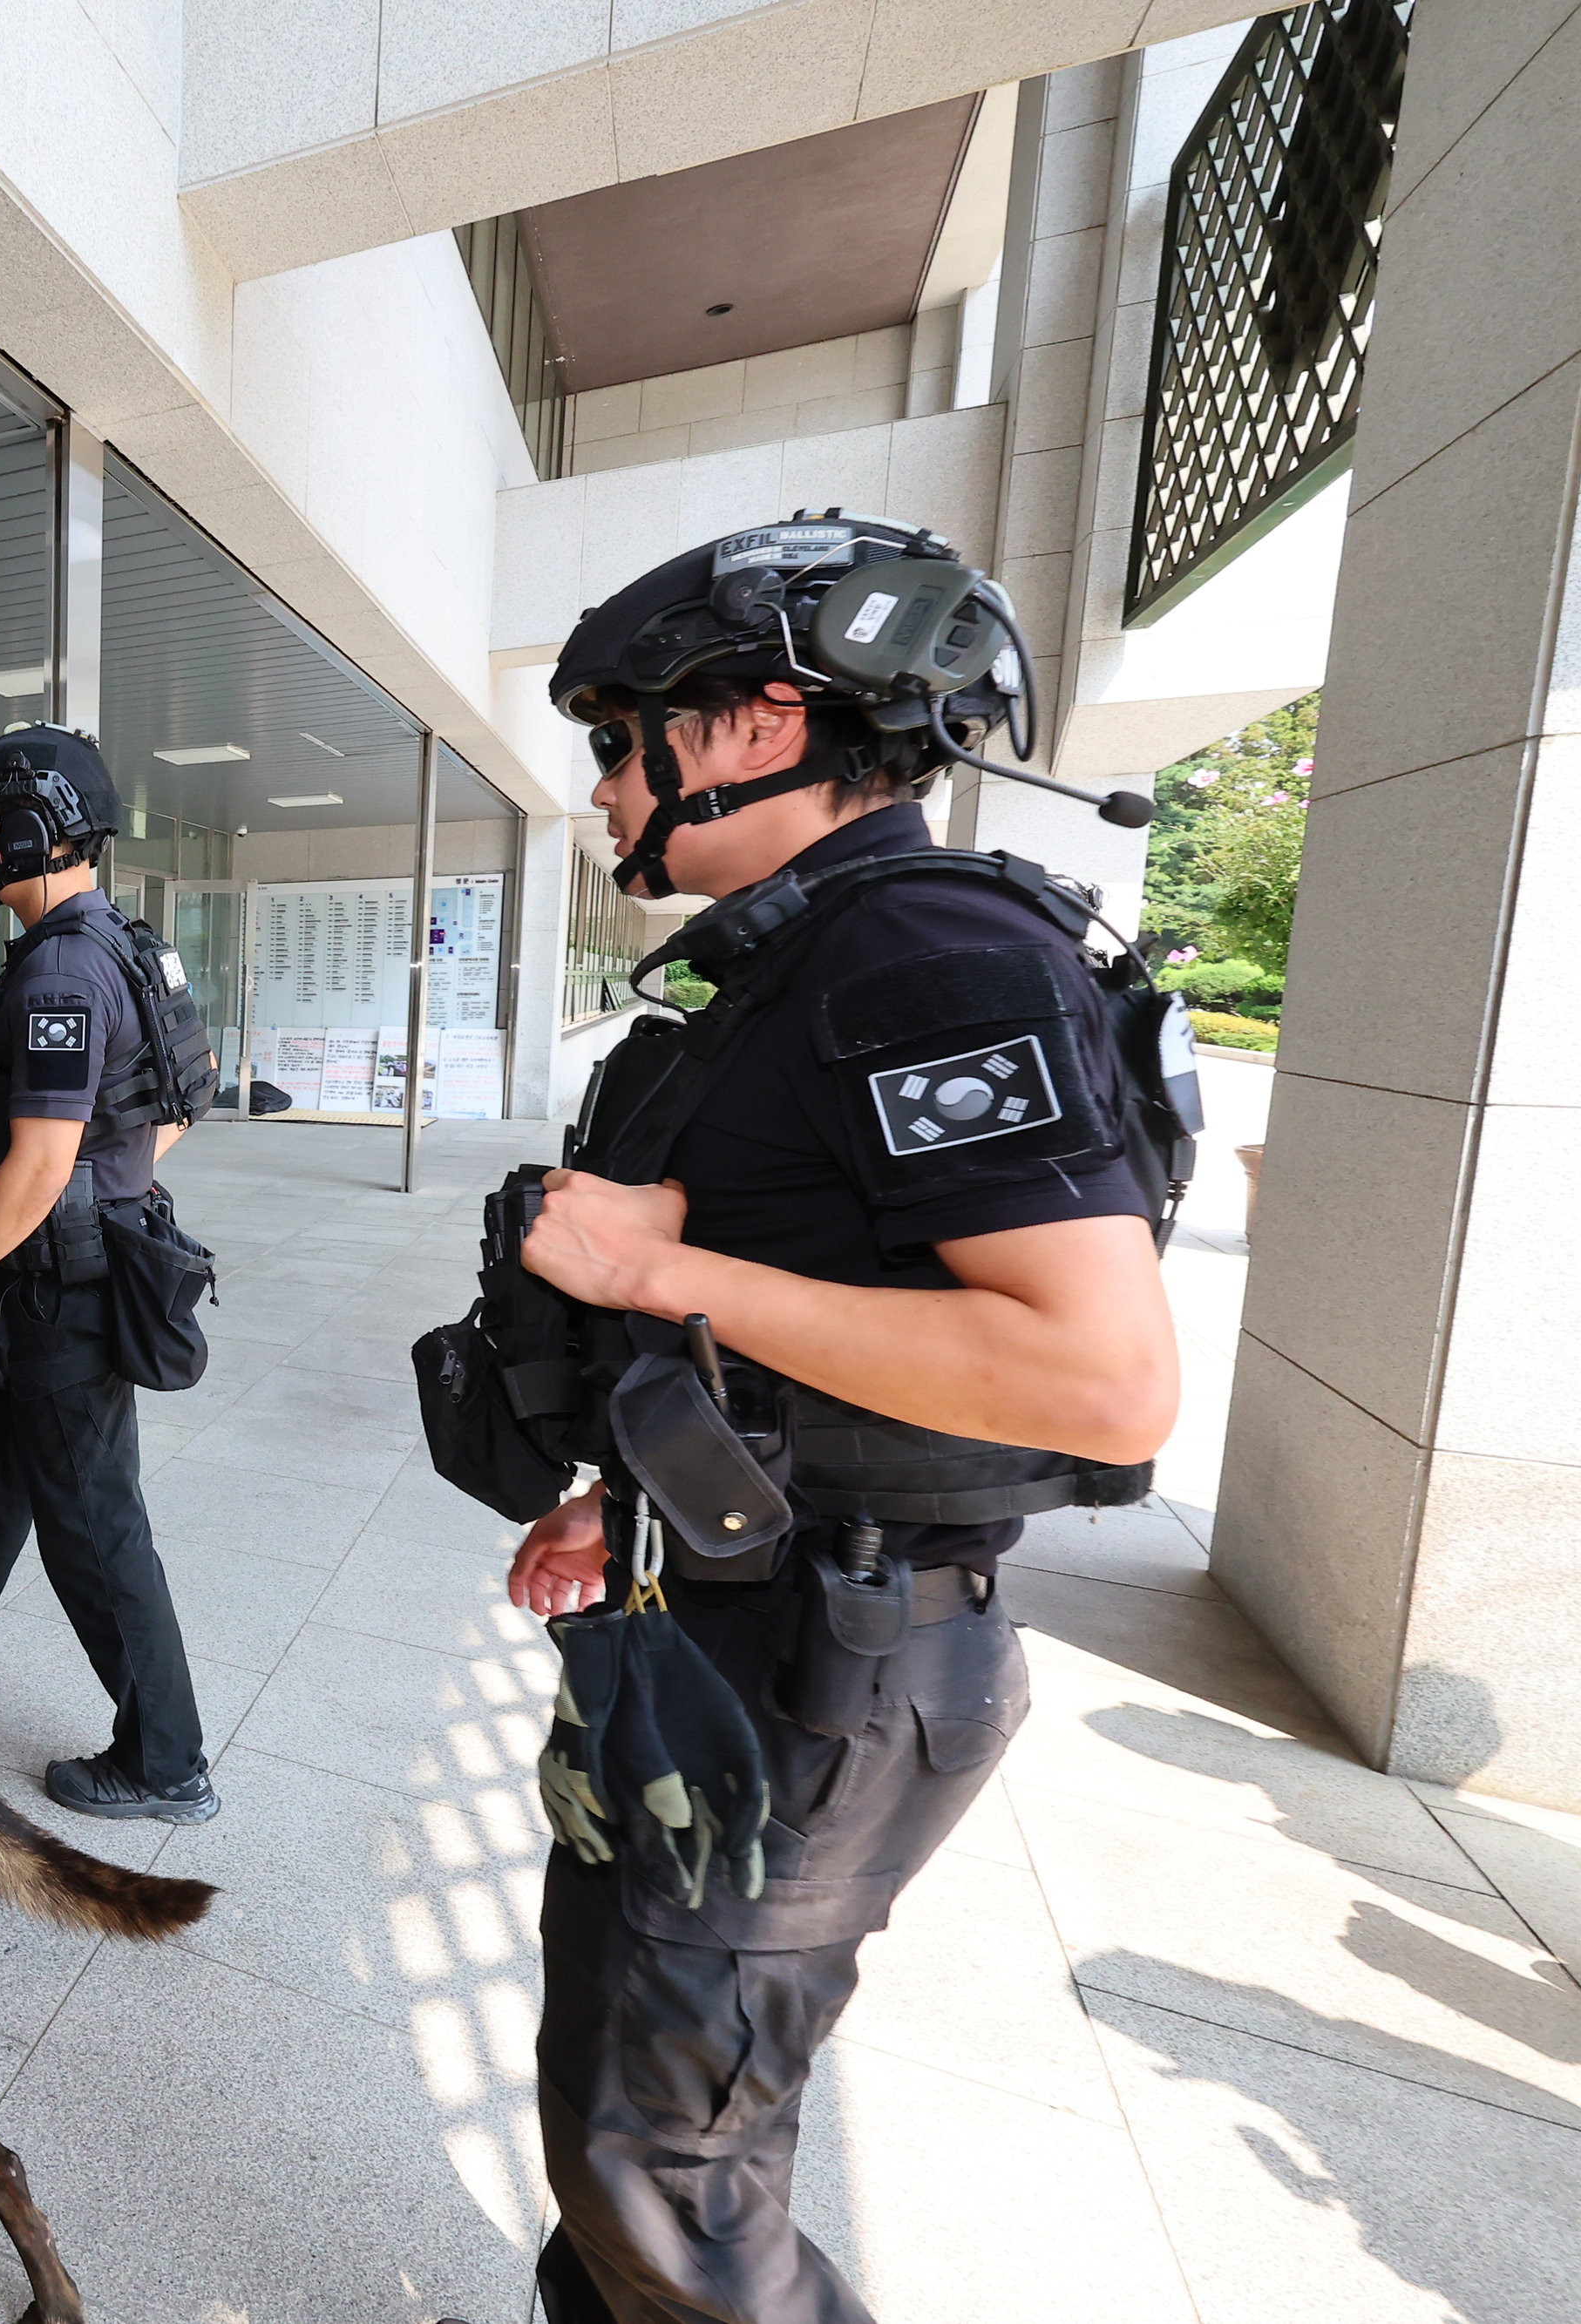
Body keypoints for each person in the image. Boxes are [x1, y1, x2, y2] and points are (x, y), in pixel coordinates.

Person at [495, 517, 1183, 2324]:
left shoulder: (920, 949)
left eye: (611, 741)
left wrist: (657, 1275)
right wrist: (629, 1486)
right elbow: (828, 1306)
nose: (598, 789)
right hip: (738, 1607)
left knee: (673, 2179)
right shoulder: (799, 955)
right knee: (616, 2111)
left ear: (737, 729)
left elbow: (1096, 1372)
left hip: (824, 1665)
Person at [0, 728, 220, 1823]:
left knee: (96, 1527)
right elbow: (179, 1109)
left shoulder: (60, 967)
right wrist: (104, 1200)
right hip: (80, 1266)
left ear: (21, 829)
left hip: (66, 1286)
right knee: (5, 1474)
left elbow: (40, 1160)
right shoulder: (123, 945)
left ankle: (166, 1761)